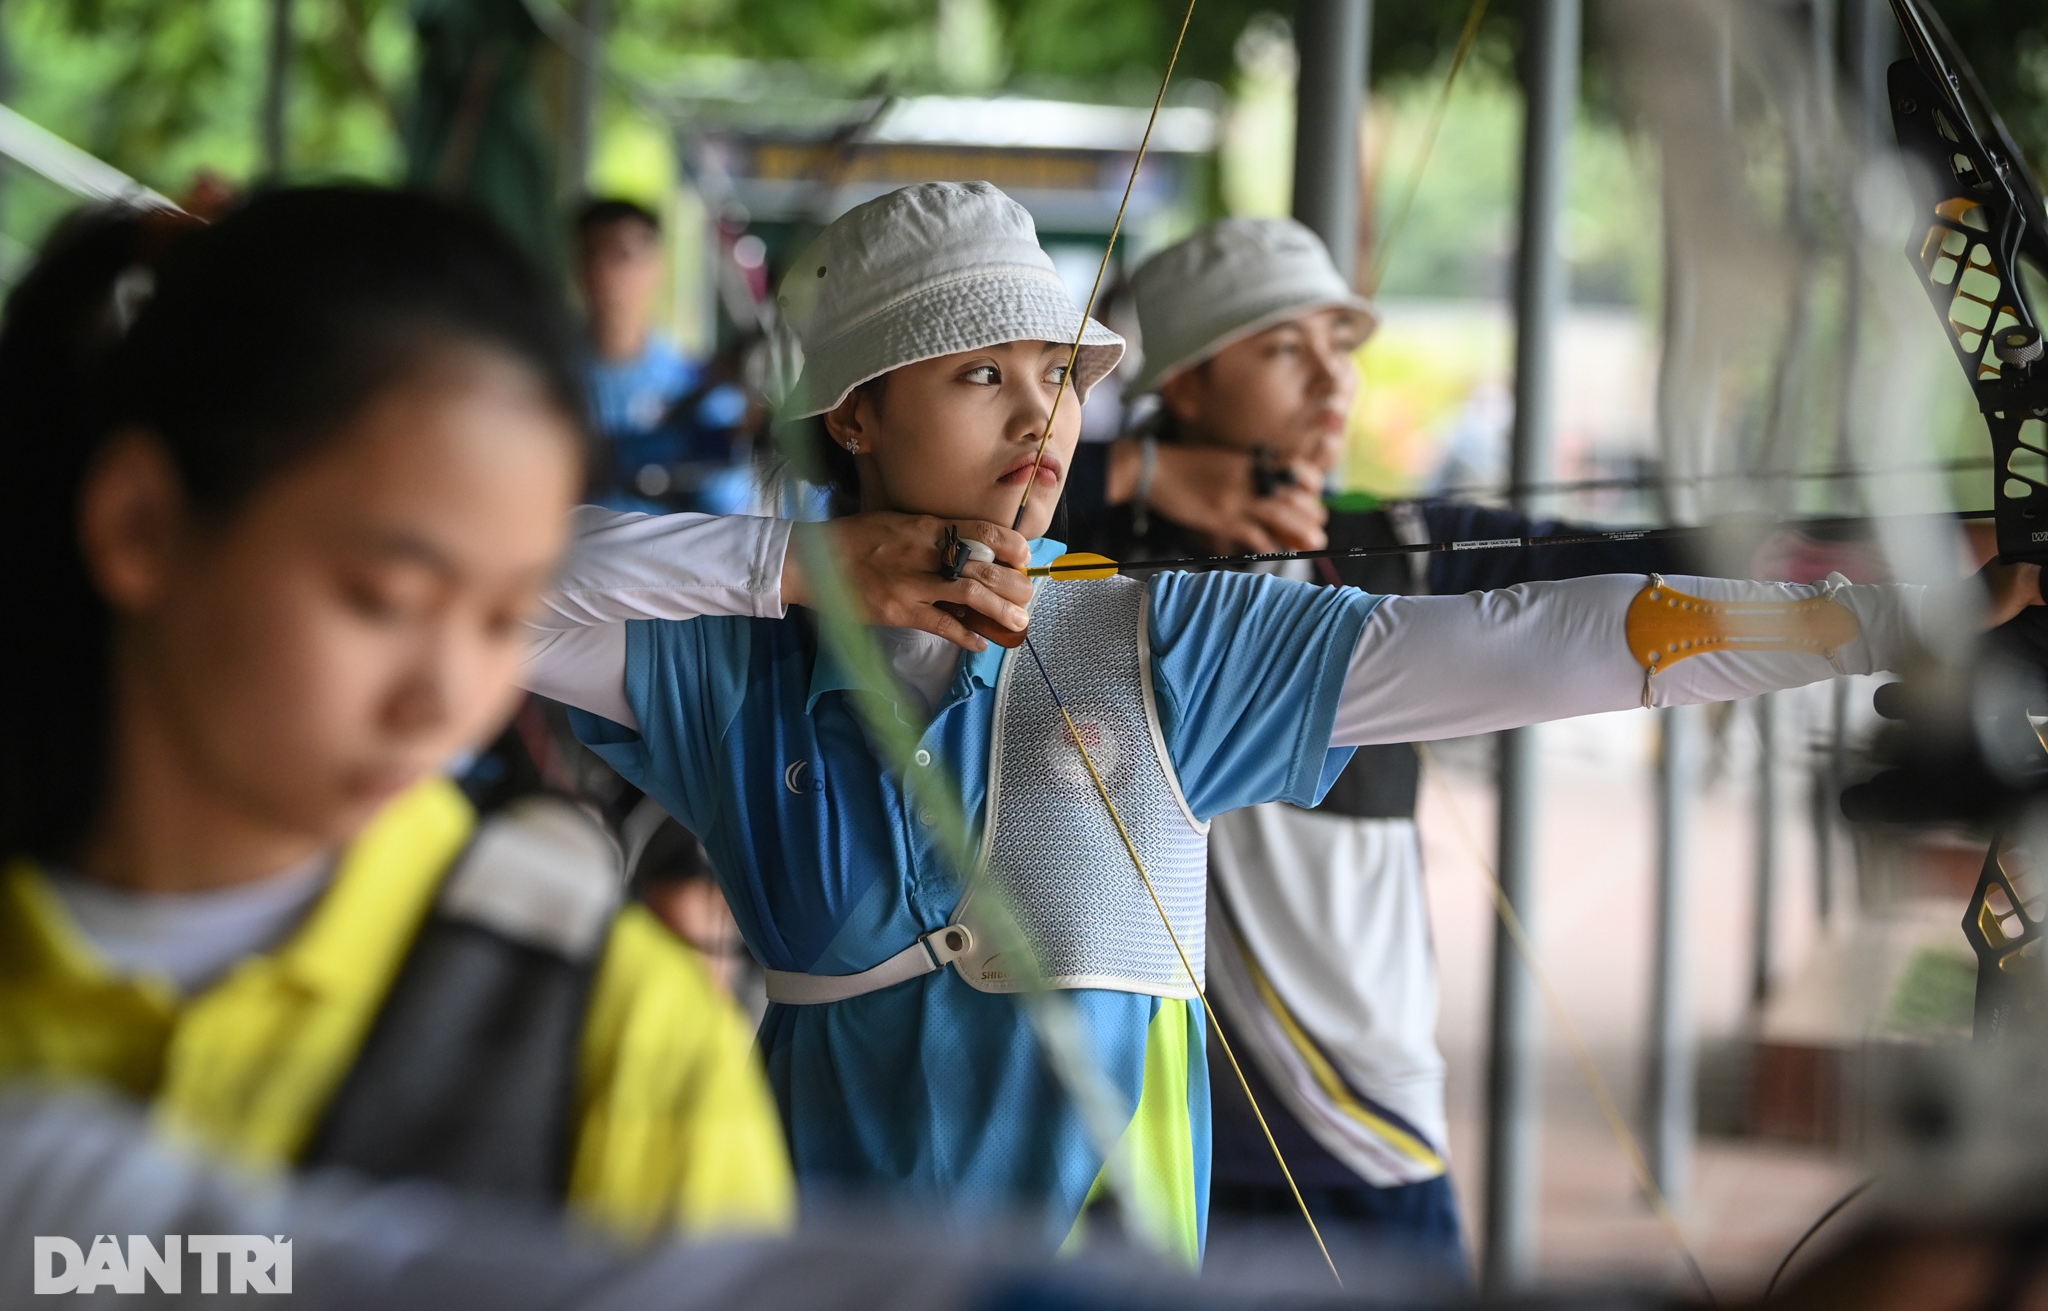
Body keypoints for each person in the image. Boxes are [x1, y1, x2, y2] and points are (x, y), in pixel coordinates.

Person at [521, 179, 2020, 1264]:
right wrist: (802, 564)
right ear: (852, 413)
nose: (1043, 422)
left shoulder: (1155, 637)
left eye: (1056, 375)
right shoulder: (735, 665)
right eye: (982, 376)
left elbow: (1548, 637)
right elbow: (494, 578)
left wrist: (1903, 623)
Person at [1063, 217, 1866, 1282]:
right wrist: (1133, 476)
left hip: (1353, 1121)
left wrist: (1937, 557)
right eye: (1282, 351)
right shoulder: (1071, 567)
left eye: (1339, 351)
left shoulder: (1384, 547)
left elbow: (1638, 562)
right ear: (1188, 385)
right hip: (1138, 1124)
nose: (1331, 384)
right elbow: (880, 524)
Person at [0, 188, 795, 1242]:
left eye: (507, 618)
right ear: (139, 525)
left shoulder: (615, 1036)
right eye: (384, 601)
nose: (447, 706)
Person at [574, 198, 751, 514]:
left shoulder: (693, 383)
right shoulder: (542, 376)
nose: (604, 271)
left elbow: (727, 504)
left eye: (622, 256)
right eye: (591, 254)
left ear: (656, 266)